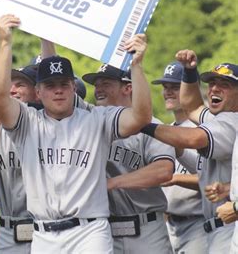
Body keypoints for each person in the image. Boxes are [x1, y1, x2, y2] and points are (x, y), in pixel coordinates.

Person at [0, 14, 152, 253]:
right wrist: (5, 44)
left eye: (63, 84)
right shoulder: (27, 122)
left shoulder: (97, 119)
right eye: (50, 86)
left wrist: (136, 67)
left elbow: (140, 116)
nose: (58, 91)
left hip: (89, 232)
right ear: (38, 91)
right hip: (44, 236)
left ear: (73, 88)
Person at [141, 50, 238, 253]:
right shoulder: (218, 117)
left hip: (227, 227)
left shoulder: (232, 121)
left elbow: (193, 138)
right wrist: (189, 72)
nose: (214, 89)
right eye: (211, 83)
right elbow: (191, 105)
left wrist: (142, 124)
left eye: (224, 85)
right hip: (218, 227)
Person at [82, 64, 174, 254]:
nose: (98, 89)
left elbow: (163, 170)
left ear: (127, 87)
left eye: (105, 83)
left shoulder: (151, 126)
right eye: (96, 84)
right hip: (103, 230)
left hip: (146, 229)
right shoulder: (90, 122)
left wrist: (112, 182)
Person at [151, 61, 207, 253]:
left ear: (192, 88)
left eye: (175, 87)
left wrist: (175, 179)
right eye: (165, 87)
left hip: (200, 224)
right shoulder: (169, 129)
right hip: (170, 225)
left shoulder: (205, 129)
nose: (168, 92)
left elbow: (216, 179)